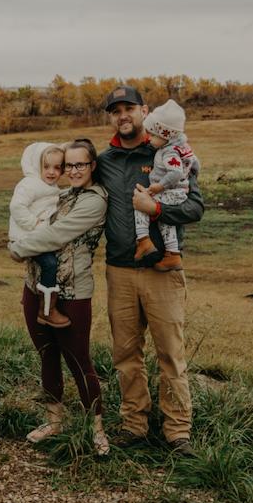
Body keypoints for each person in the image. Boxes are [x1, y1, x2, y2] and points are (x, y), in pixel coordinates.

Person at [95, 85, 204, 455]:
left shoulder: (166, 151)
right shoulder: (105, 160)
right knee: (126, 354)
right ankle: (134, 425)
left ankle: (177, 433)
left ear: (145, 110)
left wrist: (156, 211)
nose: (122, 115)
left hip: (161, 271)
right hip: (119, 271)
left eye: (129, 108)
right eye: (115, 110)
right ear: (111, 117)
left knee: (170, 353)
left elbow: (195, 208)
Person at [9, 139, 110, 456]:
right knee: (47, 353)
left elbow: (57, 233)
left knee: (79, 360)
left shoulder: (95, 201)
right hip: (36, 287)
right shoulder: (61, 194)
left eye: (81, 164)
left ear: (92, 166)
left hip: (73, 293)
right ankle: (54, 420)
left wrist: (18, 248)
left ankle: (96, 429)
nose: (73, 170)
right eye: (69, 165)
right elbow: (31, 215)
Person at [133, 99, 201, 272]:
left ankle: (143, 240)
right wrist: (192, 172)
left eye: (153, 135)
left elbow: (176, 172)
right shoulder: (182, 147)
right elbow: (195, 163)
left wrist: (159, 186)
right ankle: (172, 253)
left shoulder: (169, 151)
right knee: (166, 220)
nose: (149, 139)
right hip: (178, 193)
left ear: (166, 135)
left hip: (170, 191)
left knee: (141, 203)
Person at [8, 142, 69, 328]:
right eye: (46, 166)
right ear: (37, 165)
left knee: (51, 261)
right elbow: (16, 207)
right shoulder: (30, 184)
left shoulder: (49, 187)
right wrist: (34, 223)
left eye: (57, 167)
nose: (51, 172)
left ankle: (31, 299)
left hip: (35, 235)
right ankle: (47, 310)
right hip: (25, 236)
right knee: (50, 263)